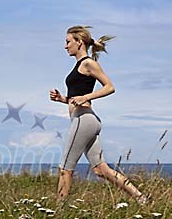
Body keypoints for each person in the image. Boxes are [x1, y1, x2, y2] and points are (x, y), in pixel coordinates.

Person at [49, 26, 147, 204]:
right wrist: (62, 99)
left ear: (79, 42)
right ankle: (141, 199)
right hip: (86, 119)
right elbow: (76, 97)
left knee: (65, 168)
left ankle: (57, 213)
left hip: (84, 120)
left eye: (68, 42)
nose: (65, 46)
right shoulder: (79, 65)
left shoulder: (88, 63)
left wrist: (86, 97)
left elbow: (110, 87)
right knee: (101, 170)